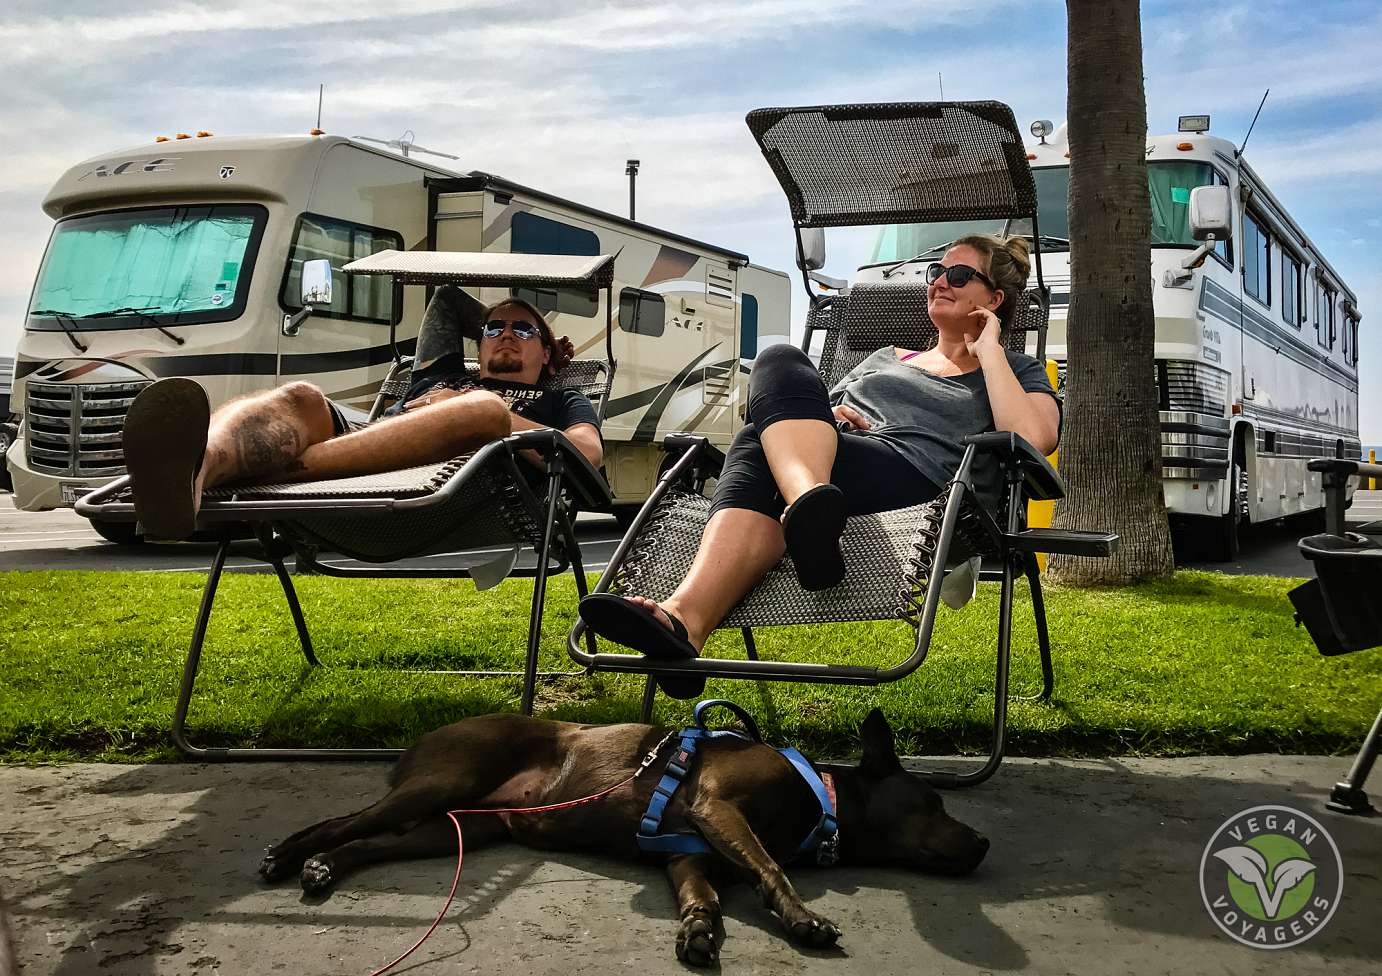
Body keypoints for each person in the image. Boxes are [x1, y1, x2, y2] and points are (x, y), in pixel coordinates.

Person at [578, 234, 1060, 697]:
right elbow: (791, 411)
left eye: (958, 274)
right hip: (838, 465)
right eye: (936, 271)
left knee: (754, 443)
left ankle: (698, 603)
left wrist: (991, 351)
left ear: (993, 299)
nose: (938, 281)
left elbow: (1035, 439)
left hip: (928, 483)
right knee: (779, 360)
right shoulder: (884, 357)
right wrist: (830, 415)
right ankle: (692, 617)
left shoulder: (1015, 370)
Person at [122, 295, 602, 541]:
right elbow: (447, 302)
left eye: (523, 329)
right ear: (478, 341)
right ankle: (195, 469)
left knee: (481, 409)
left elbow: (587, 454)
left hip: (455, 502)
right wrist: (458, 386)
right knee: (301, 396)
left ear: (548, 351)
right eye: (494, 327)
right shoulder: (445, 373)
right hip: (358, 472)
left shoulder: (560, 402)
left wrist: (474, 415)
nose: (506, 334)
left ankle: (261, 472)